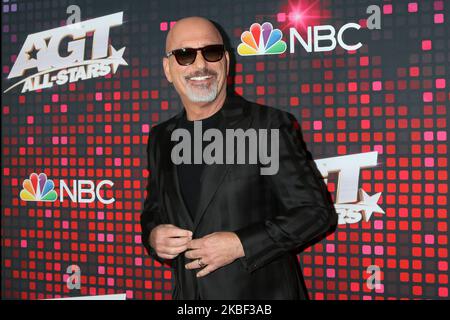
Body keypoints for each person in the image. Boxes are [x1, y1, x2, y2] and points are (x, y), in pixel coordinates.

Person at [140, 16, 337, 299]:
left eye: (211, 52)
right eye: (184, 55)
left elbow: (315, 213)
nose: (200, 66)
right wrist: (153, 237)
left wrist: (240, 244)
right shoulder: (161, 137)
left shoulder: (266, 125)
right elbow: (153, 211)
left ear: (227, 62)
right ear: (168, 69)